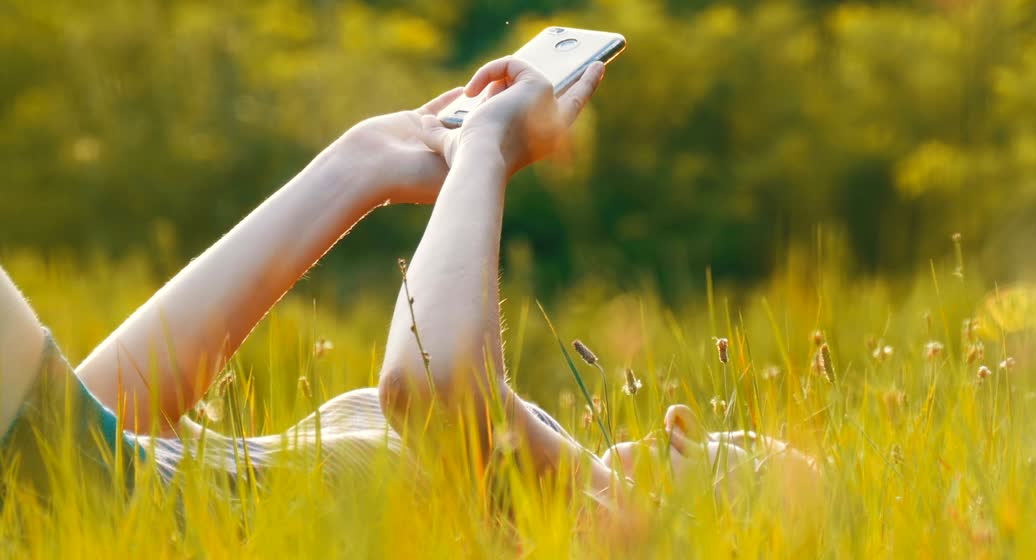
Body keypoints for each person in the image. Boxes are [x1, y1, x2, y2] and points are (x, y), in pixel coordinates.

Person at [0, 57, 815, 509]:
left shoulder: (604, 524)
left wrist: (489, 149)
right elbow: (95, 436)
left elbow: (435, 389)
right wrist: (359, 164)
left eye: (744, 462)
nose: (686, 422)